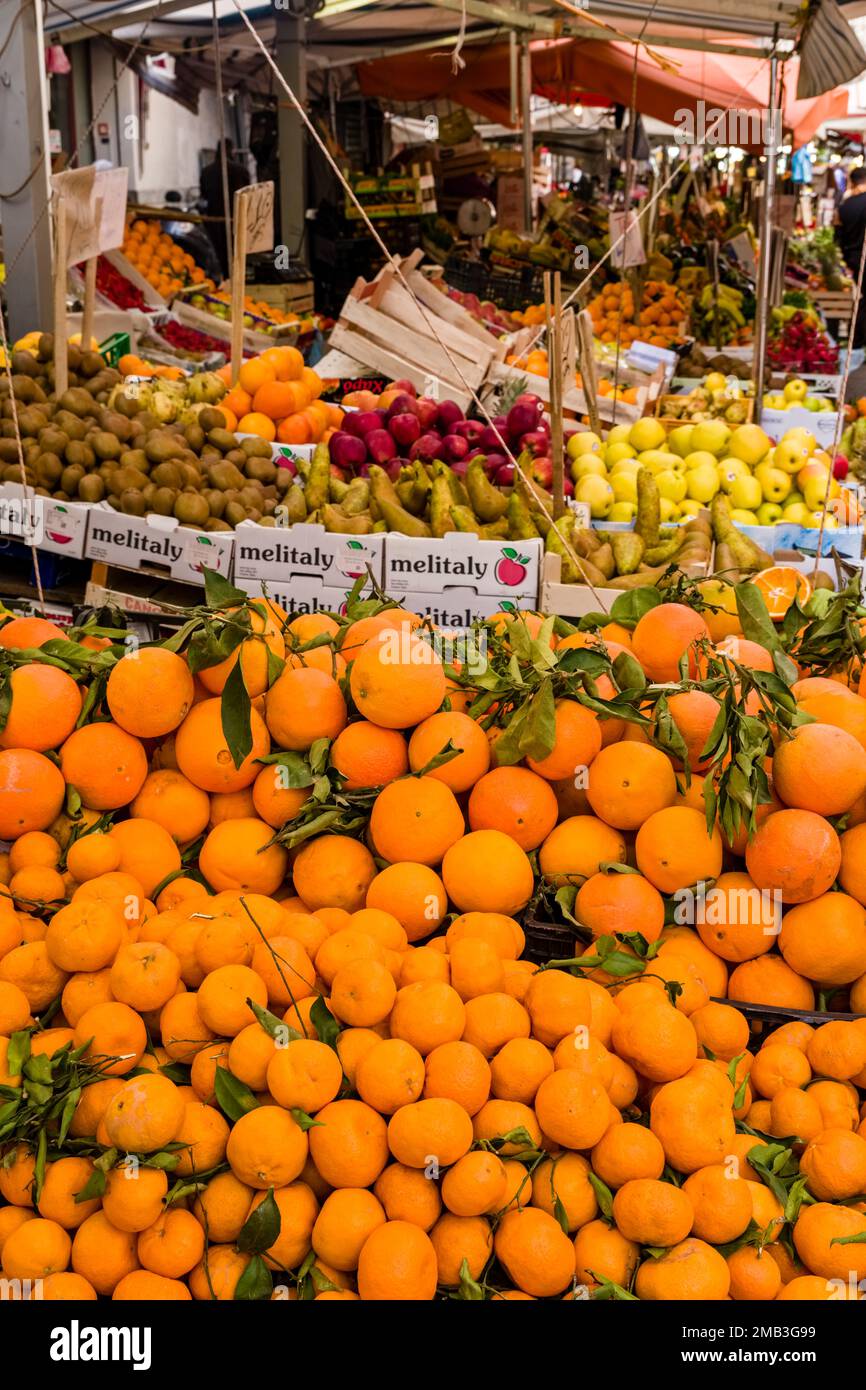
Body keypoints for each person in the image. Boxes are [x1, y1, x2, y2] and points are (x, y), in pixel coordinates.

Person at [199, 140, 249, 278]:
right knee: (237, 254)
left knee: (220, 255)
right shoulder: (241, 170)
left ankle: (226, 280)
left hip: (214, 222)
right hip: (236, 219)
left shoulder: (206, 172)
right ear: (231, 150)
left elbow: (204, 196)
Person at [836, 166, 866, 349]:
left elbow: (838, 236)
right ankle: (858, 340)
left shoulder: (845, 206)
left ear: (852, 181)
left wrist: (848, 259)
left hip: (854, 259)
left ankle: (857, 339)